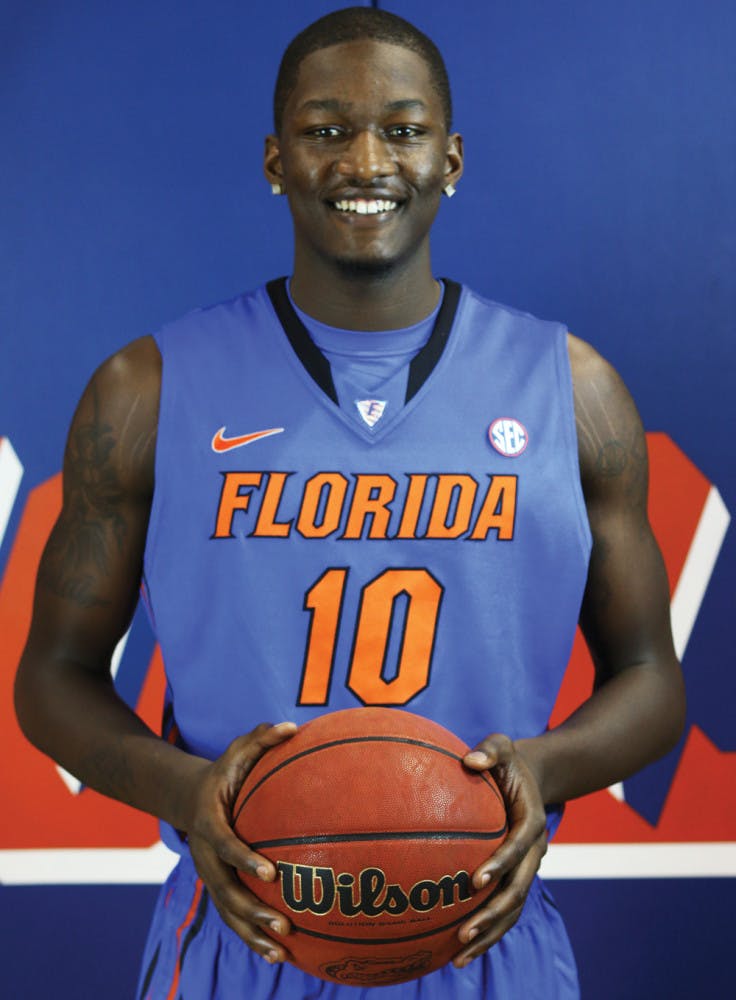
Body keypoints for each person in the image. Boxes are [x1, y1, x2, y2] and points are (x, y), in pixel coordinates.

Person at [15, 7, 685, 999]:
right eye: (327, 130)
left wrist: (540, 772)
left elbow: (649, 677)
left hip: (482, 936)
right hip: (243, 937)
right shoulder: (148, 389)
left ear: (449, 158)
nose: (366, 159)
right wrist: (185, 791)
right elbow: (52, 675)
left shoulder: (571, 390)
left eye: (402, 129)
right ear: (275, 158)